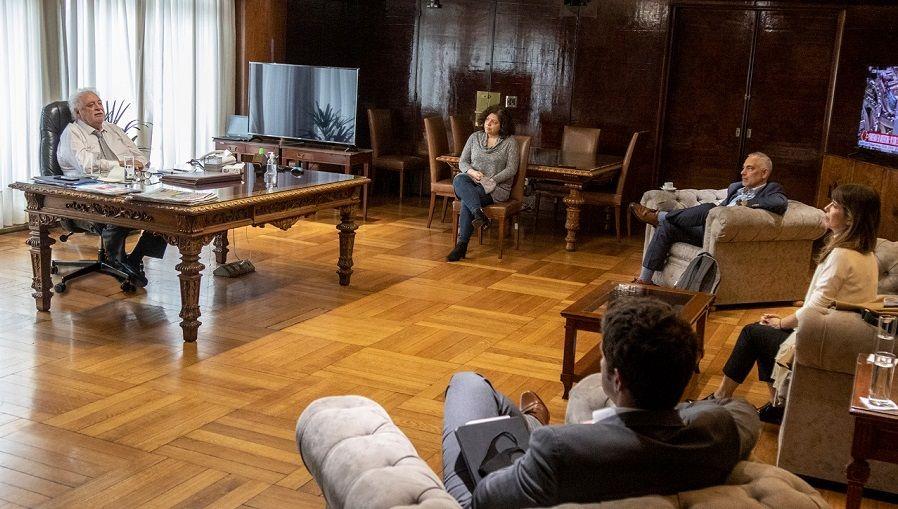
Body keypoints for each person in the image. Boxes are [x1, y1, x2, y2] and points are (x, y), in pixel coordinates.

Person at [441, 298, 760, 508]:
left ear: (617, 379)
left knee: (467, 383)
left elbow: (485, 498)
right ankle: (531, 420)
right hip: (589, 449)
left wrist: (517, 457)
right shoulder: (717, 429)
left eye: (604, 357)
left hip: (507, 493)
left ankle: (532, 423)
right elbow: (742, 409)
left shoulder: (559, 448)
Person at [709, 183, 880, 424]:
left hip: (823, 339)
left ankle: (720, 398)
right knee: (763, 332)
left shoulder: (842, 256)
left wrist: (782, 323)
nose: (826, 208)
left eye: (834, 205)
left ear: (851, 217)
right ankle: (776, 406)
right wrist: (782, 323)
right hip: (839, 335)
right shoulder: (868, 255)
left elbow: (815, 309)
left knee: (752, 333)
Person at [57, 87, 167, 287]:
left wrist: (135, 164)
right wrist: (121, 163)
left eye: (99, 103)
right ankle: (116, 257)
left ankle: (134, 258)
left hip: (122, 188)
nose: (98, 107)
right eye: (91, 105)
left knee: (165, 213)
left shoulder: (113, 129)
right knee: (123, 213)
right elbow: (87, 166)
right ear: (78, 112)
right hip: (85, 198)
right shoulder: (72, 133)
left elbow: (140, 158)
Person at [629, 152, 787, 285]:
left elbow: (779, 203)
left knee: (709, 208)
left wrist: (747, 203)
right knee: (667, 226)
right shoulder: (736, 188)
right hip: (708, 231)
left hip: (724, 235)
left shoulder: (772, 189)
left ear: (764, 173)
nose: (742, 172)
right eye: (743, 168)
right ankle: (644, 280)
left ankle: (660, 216)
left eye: (750, 168)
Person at [447, 106, 519, 262]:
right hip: (473, 180)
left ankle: (461, 245)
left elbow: (511, 169)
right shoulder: (475, 137)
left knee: (467, 199)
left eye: (494, 122)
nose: (488, 124)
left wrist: (492, 180)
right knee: (459, 179)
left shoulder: (510, 142)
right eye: (487, 120)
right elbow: (463, 162)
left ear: (502, 125)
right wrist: (472, 172)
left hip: (496, 187)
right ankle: (478, 213)